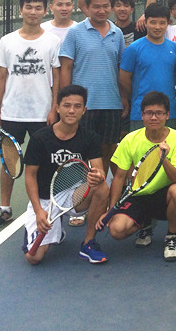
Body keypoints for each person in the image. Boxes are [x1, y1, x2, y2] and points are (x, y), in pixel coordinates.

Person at [0, 0, 61, 230]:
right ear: (21, 10)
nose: (33, 12)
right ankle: (5, 208)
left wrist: (54, 108)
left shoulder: (52, 41)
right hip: (12, 114)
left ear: (45, 11)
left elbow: (57, 78)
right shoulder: (7, 41)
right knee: (9, 163)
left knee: (46, 163)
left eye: (38, 7)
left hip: (43, 115)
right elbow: (0, 77)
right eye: (28, 7)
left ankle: (49, 207)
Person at [23, 85, 110, 265]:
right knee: (34, 258)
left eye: (77, 106)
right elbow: (30, 176)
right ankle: (57, 230)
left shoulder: (90, 137)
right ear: (57, 108)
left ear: (84, 110)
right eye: (67, 105)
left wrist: (97, 176)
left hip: (73, 194)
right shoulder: (40, 138)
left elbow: (99, 170)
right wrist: (39, 211)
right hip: (45, 200)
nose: (72, 110)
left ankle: (88, 243)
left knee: (101, 187)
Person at [98, 92, 176, 261]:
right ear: (142, 115)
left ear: (167, 115)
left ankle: (171, 237)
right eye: (149, 113)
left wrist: (164, 159)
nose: (153, 117)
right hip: (137, 195)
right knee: (116, 230)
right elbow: (119, 177)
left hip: (163, 195)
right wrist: (111, 210)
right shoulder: (130, 139)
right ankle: (145, 223)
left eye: (159, 113)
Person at [60, 0, 126, 178]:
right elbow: (66, 67)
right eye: (96, 6)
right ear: (87, 8)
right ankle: (79, 191)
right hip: (83, 105)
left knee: (107, 150)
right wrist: (65, 100)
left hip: (111, 104)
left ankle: (100, 190)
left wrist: (123, 98)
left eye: (106, 6)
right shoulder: (75, 32)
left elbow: (120, 69)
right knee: (80, 149)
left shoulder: (117, 33)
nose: (101, 10)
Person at [119, 2, 176, 132]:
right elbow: (124, 78)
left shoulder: (174, 48)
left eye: (162, 23)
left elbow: (175, 77)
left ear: (168, 24)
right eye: (153, 22)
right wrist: (138, 92)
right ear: (146, 22)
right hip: (141, 113)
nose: (157, 27)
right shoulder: (134, 49)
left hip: (168, 113)